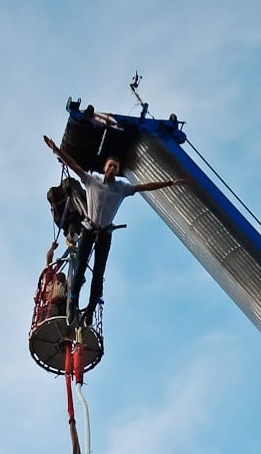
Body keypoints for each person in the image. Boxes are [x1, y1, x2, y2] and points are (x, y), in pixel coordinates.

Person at [44, 135, 186, 326]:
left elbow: (145, 187)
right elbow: (73, 164)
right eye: (109, 166)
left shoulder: (122, 188)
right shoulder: (91, 180)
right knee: (79, 271)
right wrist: (56, 150)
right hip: (88, 228)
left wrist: (169, 183)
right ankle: (73, 305)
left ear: (117, 171)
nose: (112, 169)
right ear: (104, 168)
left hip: (104, 233)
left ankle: (90, 311)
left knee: (98, 275)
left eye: (115, 167)